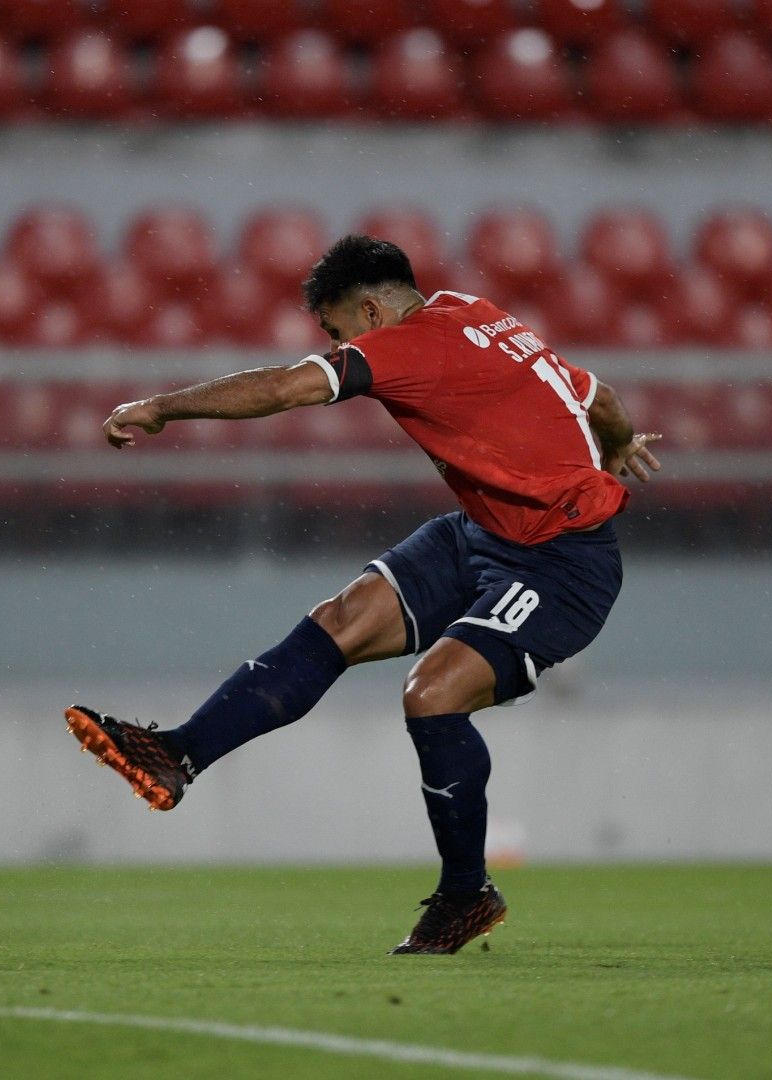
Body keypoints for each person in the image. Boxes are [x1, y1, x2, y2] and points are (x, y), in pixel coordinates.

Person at [65, 235, 662, 955]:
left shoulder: (407, 345)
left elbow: (287, 387)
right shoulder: (476, 314)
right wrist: (620, 445)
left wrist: (162, 407)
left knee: (433, 692)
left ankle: (467, 893)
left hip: (560, 563)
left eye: (335, 330)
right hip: (482, 533)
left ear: (372, 309)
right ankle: (177, 756)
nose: (336, 345)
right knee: (341, 621)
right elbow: (601, 396)